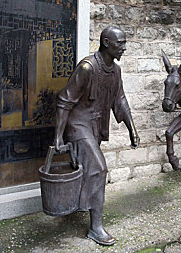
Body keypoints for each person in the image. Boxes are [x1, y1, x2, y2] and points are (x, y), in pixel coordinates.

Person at [54, 25, 139, 246]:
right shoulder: (87, 67)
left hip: (95, 127)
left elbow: (120, 100)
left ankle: (78, 207)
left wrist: (132, 129)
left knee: (88, 169)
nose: (124, 47)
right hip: (78, 125)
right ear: (106, 43)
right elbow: (65, 101)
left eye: (125, 42)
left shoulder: (115, 71)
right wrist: (58, 137)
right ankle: (96, 228)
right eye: (120, 43)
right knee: (99, 169)